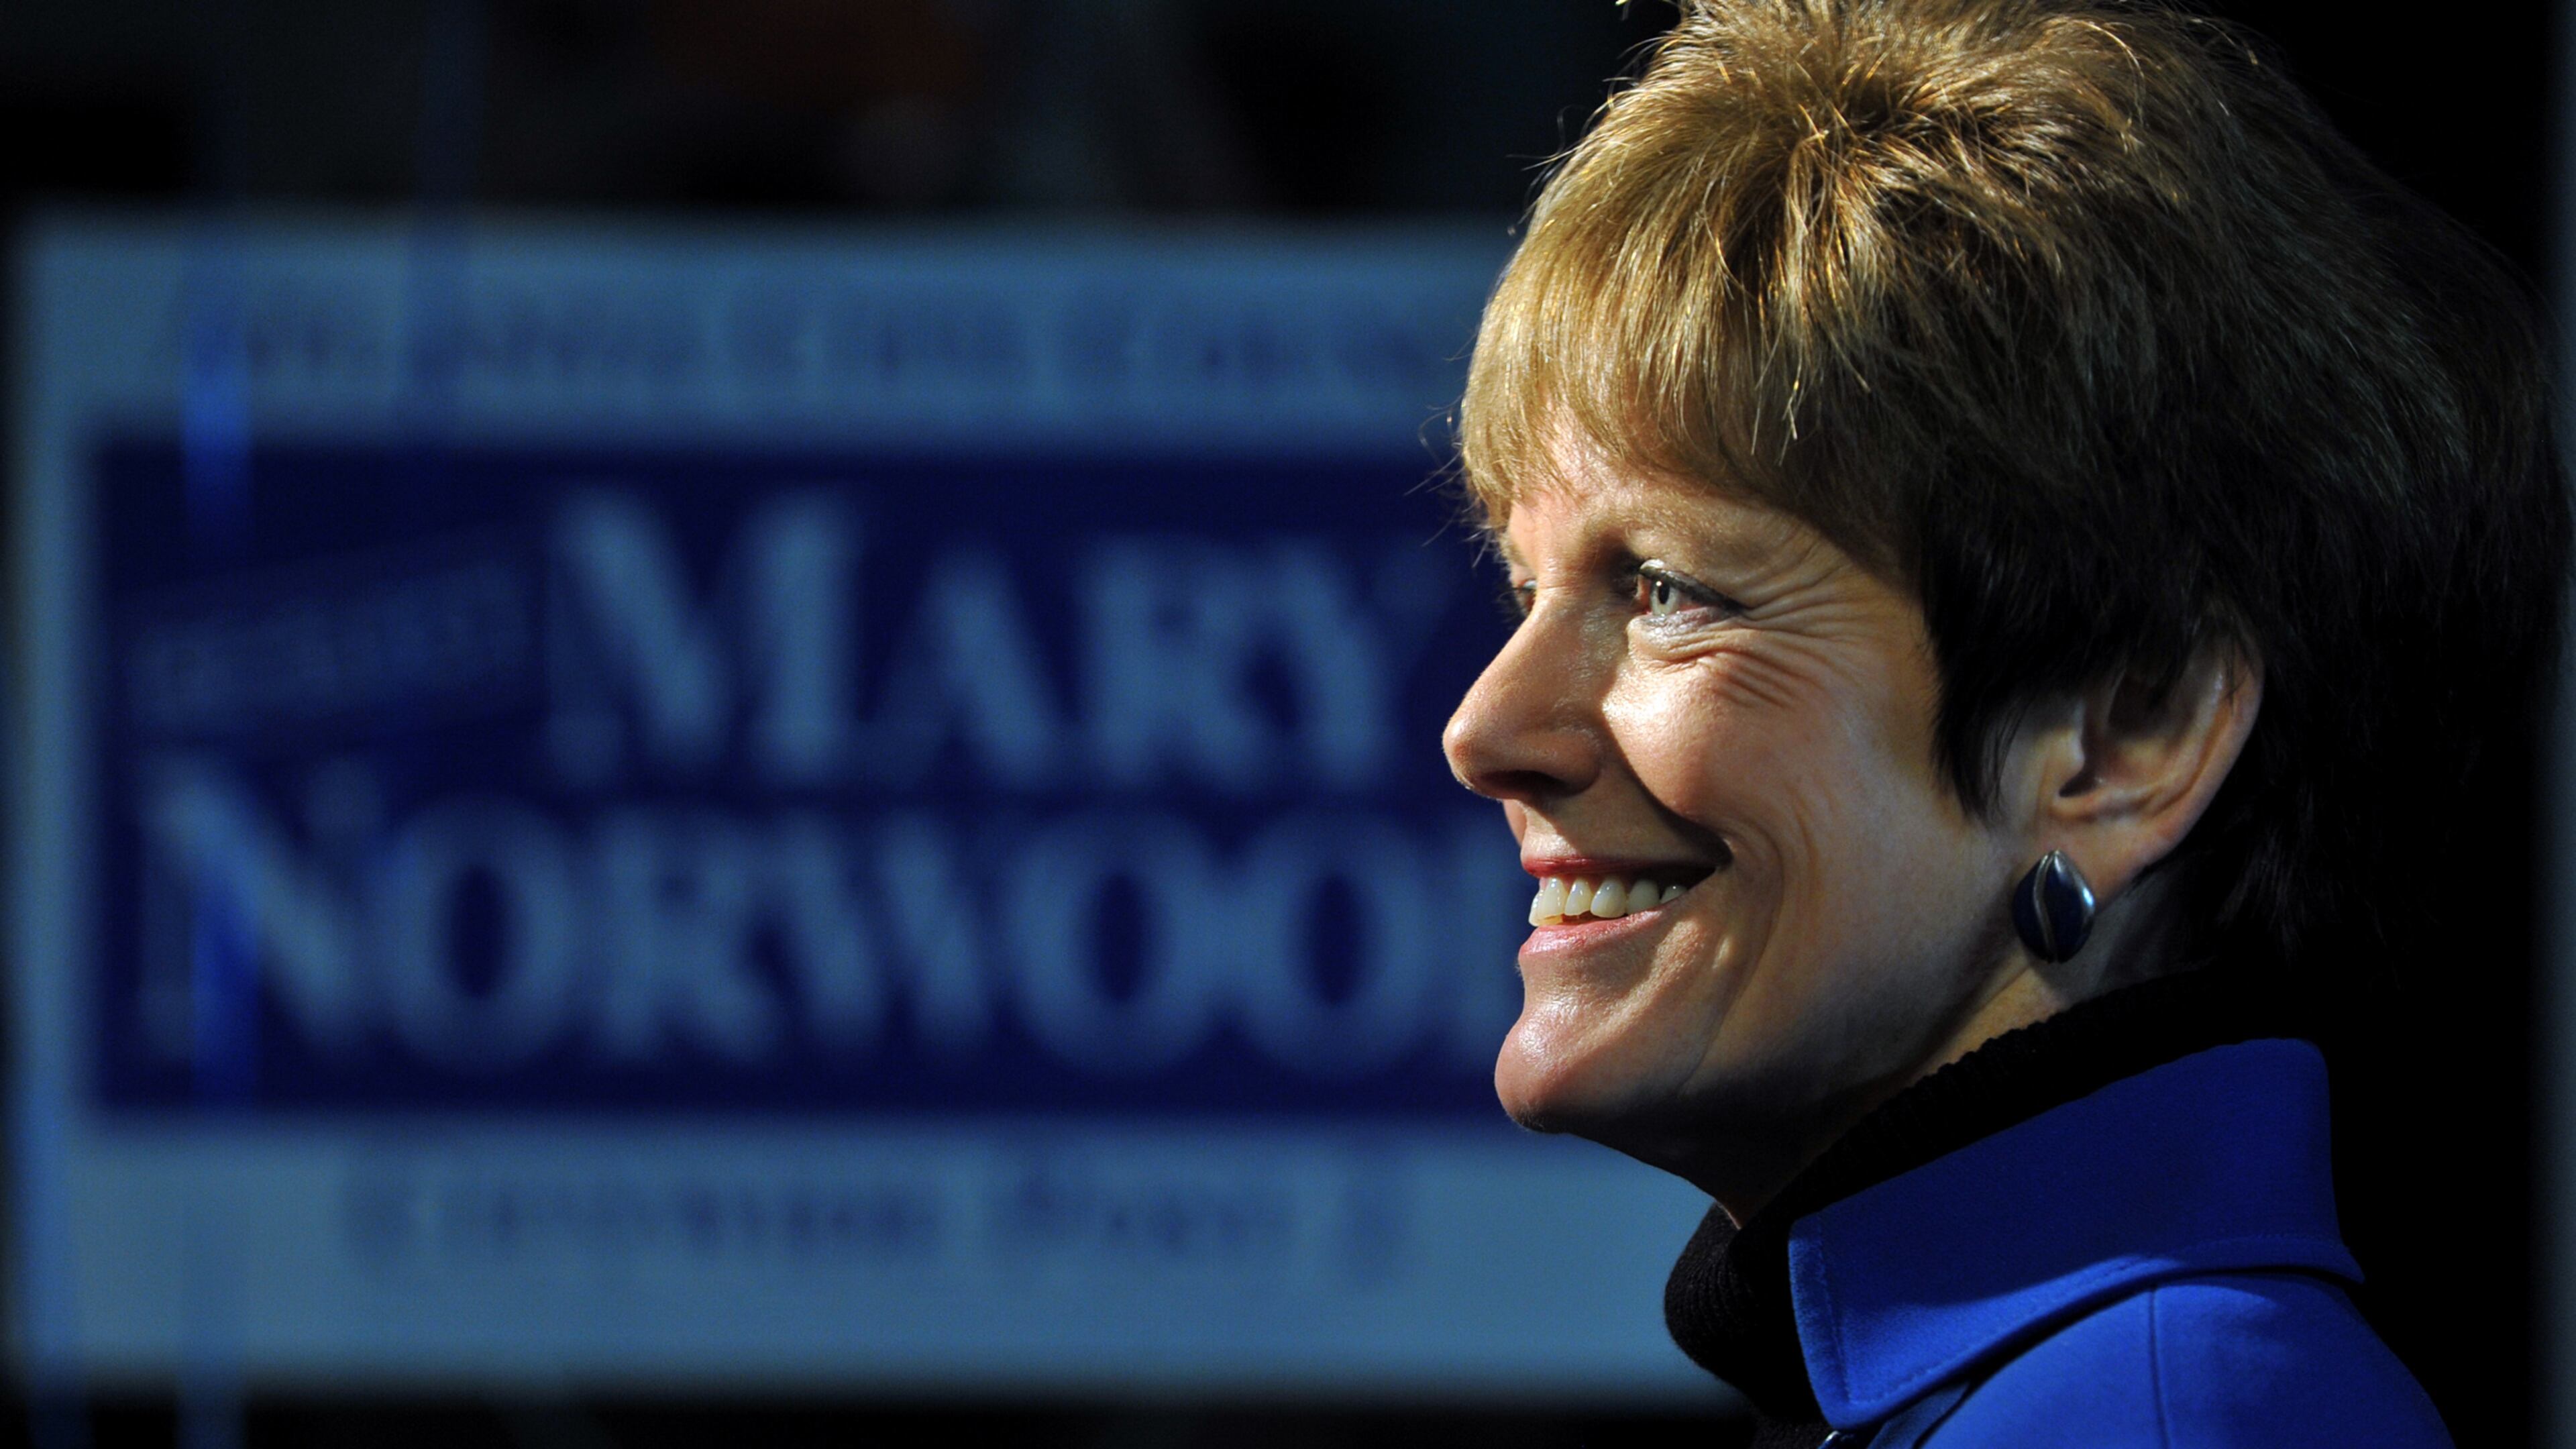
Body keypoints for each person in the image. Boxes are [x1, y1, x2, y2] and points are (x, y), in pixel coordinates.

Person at [1437, 1, 2568, 1444]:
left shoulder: (2161, 1415)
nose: (1488, 724)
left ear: (2123, 736)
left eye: (1668, 590)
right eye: (1523, 587)